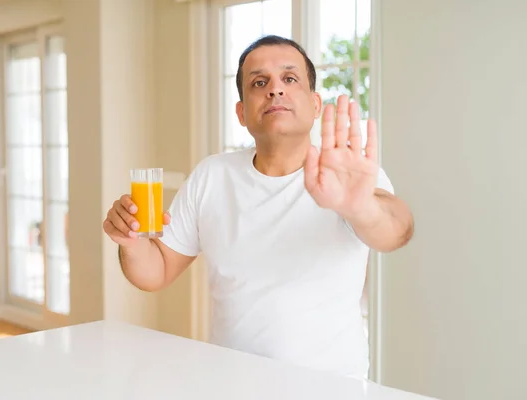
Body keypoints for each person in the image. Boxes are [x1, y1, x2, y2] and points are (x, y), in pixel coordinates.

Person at [103, 35, 414, 379]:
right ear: (241, 112)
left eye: (289, 78)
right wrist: (130, 242)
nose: (275, 89)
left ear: (315, 105)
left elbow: (397, 230)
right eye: (259, 82)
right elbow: (156, 270)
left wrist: (358, 207)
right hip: (232, 384)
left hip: (331, 388)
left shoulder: (346, 174)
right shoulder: (212, 175)